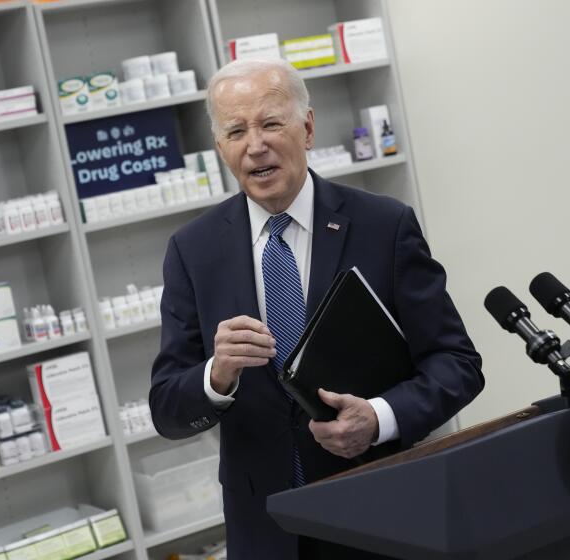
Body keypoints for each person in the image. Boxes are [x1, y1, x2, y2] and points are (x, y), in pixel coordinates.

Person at [149, 58, 484, 559]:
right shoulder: (192, 251)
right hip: (264, 530)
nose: (255, 145)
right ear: (221, 149)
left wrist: (379, 417)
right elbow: (167, 410)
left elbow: (457, 364)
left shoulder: (384, 226)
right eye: (236, 130)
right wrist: (215, 376)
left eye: (270, 123)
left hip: (380, 511)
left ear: (306, 128)